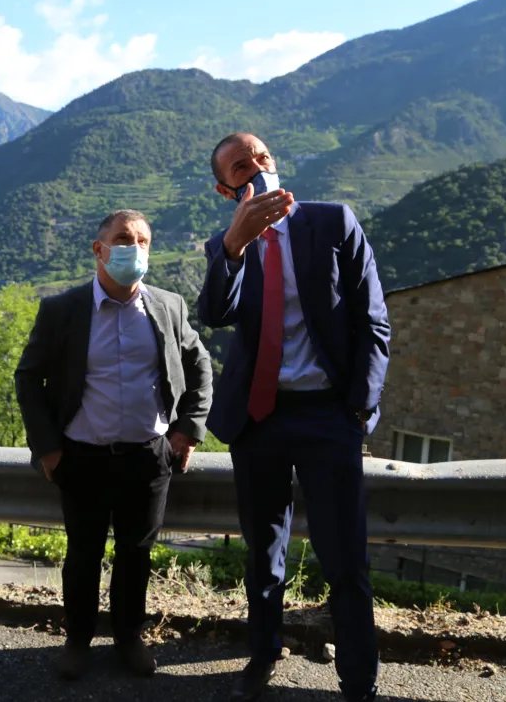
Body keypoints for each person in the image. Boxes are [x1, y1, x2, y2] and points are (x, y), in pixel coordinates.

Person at [197, 133, 390, 702]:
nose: (256, 168)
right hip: (259, 418)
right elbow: (214, 313)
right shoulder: (229, 242)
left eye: (261, 157)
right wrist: (234, 244)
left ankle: (359, 679)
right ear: (225, 187)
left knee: (344, 556)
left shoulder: (332, 223)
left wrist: (359, 408)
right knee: (263, 551)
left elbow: (374, 322)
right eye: (240, 167)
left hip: (329, 416)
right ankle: (263, 651)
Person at [14, 210, 213, 680]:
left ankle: (128, 638)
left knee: (136, 553)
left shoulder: (168, 306)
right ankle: (77, 642)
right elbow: (28, 377)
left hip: (148, 456)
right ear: (98, 250)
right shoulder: (63, 310)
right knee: (82, 554)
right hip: (80, 456)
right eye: (124, 239)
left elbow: (199, 363)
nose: (135, 248)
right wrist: (47, 447)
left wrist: (188, 428)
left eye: (144, 240)